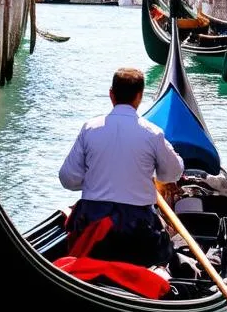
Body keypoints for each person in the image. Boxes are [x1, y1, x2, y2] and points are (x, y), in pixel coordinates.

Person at [59, 67, 184, 267]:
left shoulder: (89, 129)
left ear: (111, 94)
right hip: (137, 231)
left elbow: (68, 178)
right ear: (139, 97)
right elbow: (173, 173)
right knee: (164, 248)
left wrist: (94, 180)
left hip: (93, 226)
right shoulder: (153, 134)